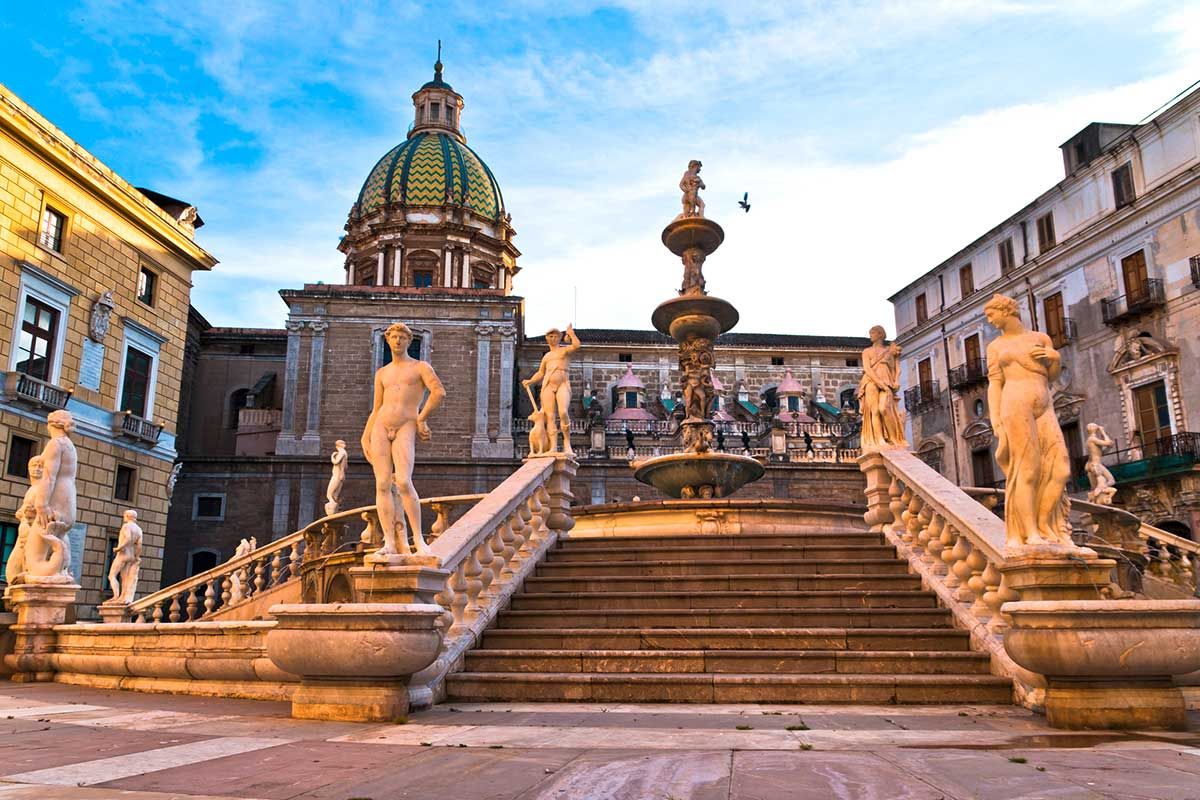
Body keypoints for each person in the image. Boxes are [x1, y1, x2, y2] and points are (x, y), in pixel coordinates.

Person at [984, 294, 1072, 548]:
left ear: (1006, 310)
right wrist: (996, 418)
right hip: (1015, 402)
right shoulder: (996, 347)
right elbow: (995, 383)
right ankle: (1030, 532)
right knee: (1028, 468)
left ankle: (1045, 524)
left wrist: (1054, 358)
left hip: (1044, 402)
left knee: (1061, 468)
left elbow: (1051, 376)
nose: (990, 320)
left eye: (992, 314)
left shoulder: (1040, 339)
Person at [361, 322, 445, 558]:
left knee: (405, 483)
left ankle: (419, 540)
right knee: (382, 484)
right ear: (387, 340)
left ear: (410, 341)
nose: (397, 341)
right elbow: (376, 408)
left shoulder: (420, 367)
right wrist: (365, 435)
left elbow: (439, 392)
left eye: (402, 337)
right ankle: (389, 542)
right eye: (393, 337)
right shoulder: (382, 373)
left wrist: (421, 418)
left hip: (406, 424)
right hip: (380, 425)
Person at [523, 325, 581, 456]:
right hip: (548, 385)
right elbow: (540, 373)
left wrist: (571, 334)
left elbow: (576, 346)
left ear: (560, 338)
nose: (553, 338)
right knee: (549, 417)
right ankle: (553, 446)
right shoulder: (546, 357)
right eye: (550, 336)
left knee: (563, 412)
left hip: (563, 384)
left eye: (555, 336)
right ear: (547, 339)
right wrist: (530, 381)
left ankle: (567, 444)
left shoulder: (564, 351)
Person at [856, 326, 907, 450]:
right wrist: (879, 383)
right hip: (871, 381)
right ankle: (879, 440)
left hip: (887, 381)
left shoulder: (890, 350)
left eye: (872, 333)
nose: (870, 336)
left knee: (884, 409)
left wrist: (896, 381)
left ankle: (893, 438)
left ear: (880, 334)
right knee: (875, 411)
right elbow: (867, 368)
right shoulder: (867, 351)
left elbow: (897, 368)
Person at [107, 510, 142, 603]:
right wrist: (137, 556)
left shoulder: (126, 526)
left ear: (127, 516)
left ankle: (116, 597)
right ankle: (123, 597)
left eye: (124, 515)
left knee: (111, 576)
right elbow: (139, 545)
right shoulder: (139, 529)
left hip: (123, 554)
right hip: (131, 555)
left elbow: (128, 538)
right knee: (125, 578)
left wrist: (119, 548)